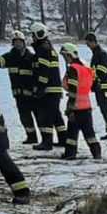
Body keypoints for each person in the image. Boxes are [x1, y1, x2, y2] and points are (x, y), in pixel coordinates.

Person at [0, 31, 41, 144]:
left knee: (39, 117)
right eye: (15, 42)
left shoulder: (31, 57)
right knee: (25, 117)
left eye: (20, 42)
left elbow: (39, 74)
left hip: (33, 94)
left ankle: (45, 138)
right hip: (19, 95)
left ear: (24, 43)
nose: (18, 44)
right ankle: (31, 137)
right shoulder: (10, 57)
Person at [60, 43, 101, 160]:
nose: (64, 59)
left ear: (69, 55)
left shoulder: (73, 69)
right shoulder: (86, 68)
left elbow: (73, 90)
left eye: (65, 56)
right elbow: (94, 85)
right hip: (87, 106)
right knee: (89, 133)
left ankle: (70, 154)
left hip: (76, 107)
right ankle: (96, 153)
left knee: (72, 134)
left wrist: (70, 108)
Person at [30, 22, 67, 150]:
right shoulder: (49, 48)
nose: (32, 38)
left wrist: (39, 88)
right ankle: (63, 139)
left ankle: (47, 142)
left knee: (46, 116)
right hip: (55, 89)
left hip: (48, 89)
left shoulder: (42, 50)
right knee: (56, 116)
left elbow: (43, 71)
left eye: (33, 35)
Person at [85, 32, 107, 141]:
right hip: (99, 87)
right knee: (104, 109)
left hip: (103, 87)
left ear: (93, 42)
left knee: (106, 110)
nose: (88, 46)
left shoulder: (101, 54)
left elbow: (102, 71)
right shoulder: (96, 54)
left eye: (88, 43)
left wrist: (97, 81)